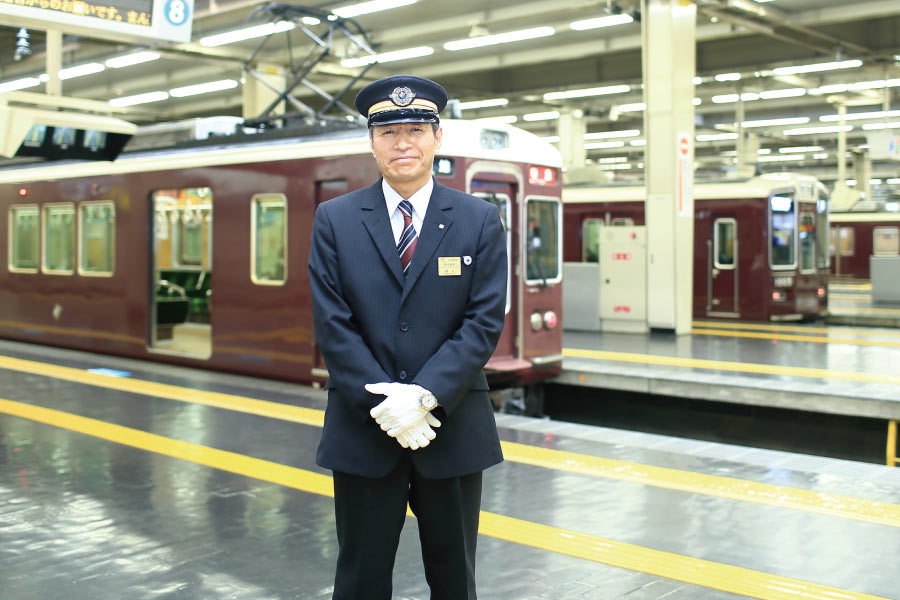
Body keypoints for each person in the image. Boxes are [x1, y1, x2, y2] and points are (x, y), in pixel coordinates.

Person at [307, 74, 507, 600]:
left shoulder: (479, 220)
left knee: (454, 579)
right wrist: (385, 402)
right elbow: (333, 321)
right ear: (370, 141)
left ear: (438, 138)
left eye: (416, 129)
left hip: (452, 426)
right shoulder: (335, 220)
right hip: (364, 430)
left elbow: (483, 320)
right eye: (388, 130)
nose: (403, 142)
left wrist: (422, 395)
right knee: (359, 578)